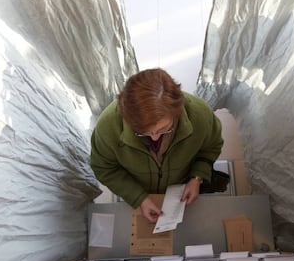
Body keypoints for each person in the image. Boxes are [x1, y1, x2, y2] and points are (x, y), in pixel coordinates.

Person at [90, 68, 223, 222]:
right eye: (143, 132)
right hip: (135, 188)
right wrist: (138, 198)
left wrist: (197, 177)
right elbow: (104, 168)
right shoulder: (108, 126)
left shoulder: (201, 115)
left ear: (177, 112)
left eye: (163, 129)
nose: (154, 139)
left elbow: (211, 147)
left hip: (182, 188)